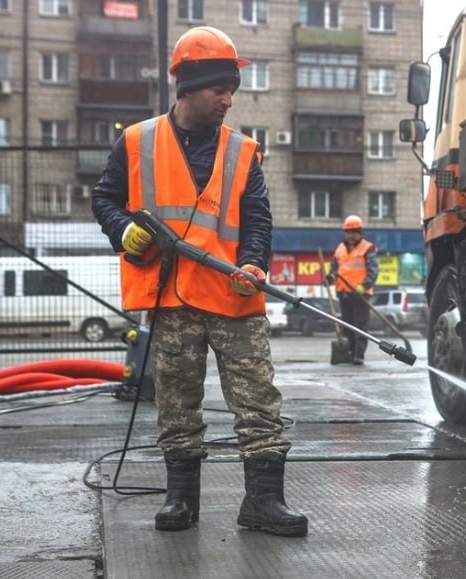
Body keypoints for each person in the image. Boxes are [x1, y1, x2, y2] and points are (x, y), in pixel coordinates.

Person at [91, 26, 307, 537]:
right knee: (176, 401)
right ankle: (180, 499)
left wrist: (254, 264)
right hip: (172, 297)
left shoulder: (243, 150)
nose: (229, 99)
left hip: (234, 294)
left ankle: (263, 502)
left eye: (232, 89)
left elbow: (256, 217)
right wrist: (125, 230)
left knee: (258, 399)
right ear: (189, 86)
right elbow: (105, 199)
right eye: (220, 89)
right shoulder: (136, 141)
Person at [326, 215, 379, 365]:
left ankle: (359, 355)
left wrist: (364, 286)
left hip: (359, 294)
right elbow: (334, 269)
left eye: (353, 232)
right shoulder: (340, 249)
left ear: (359, 232)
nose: (350, 235)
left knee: (360, 325)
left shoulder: (367, 248)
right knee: (347, 325)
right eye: (347, 232)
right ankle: (349, 352)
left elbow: (373, 271)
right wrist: (329, 278)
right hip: (343, 293)